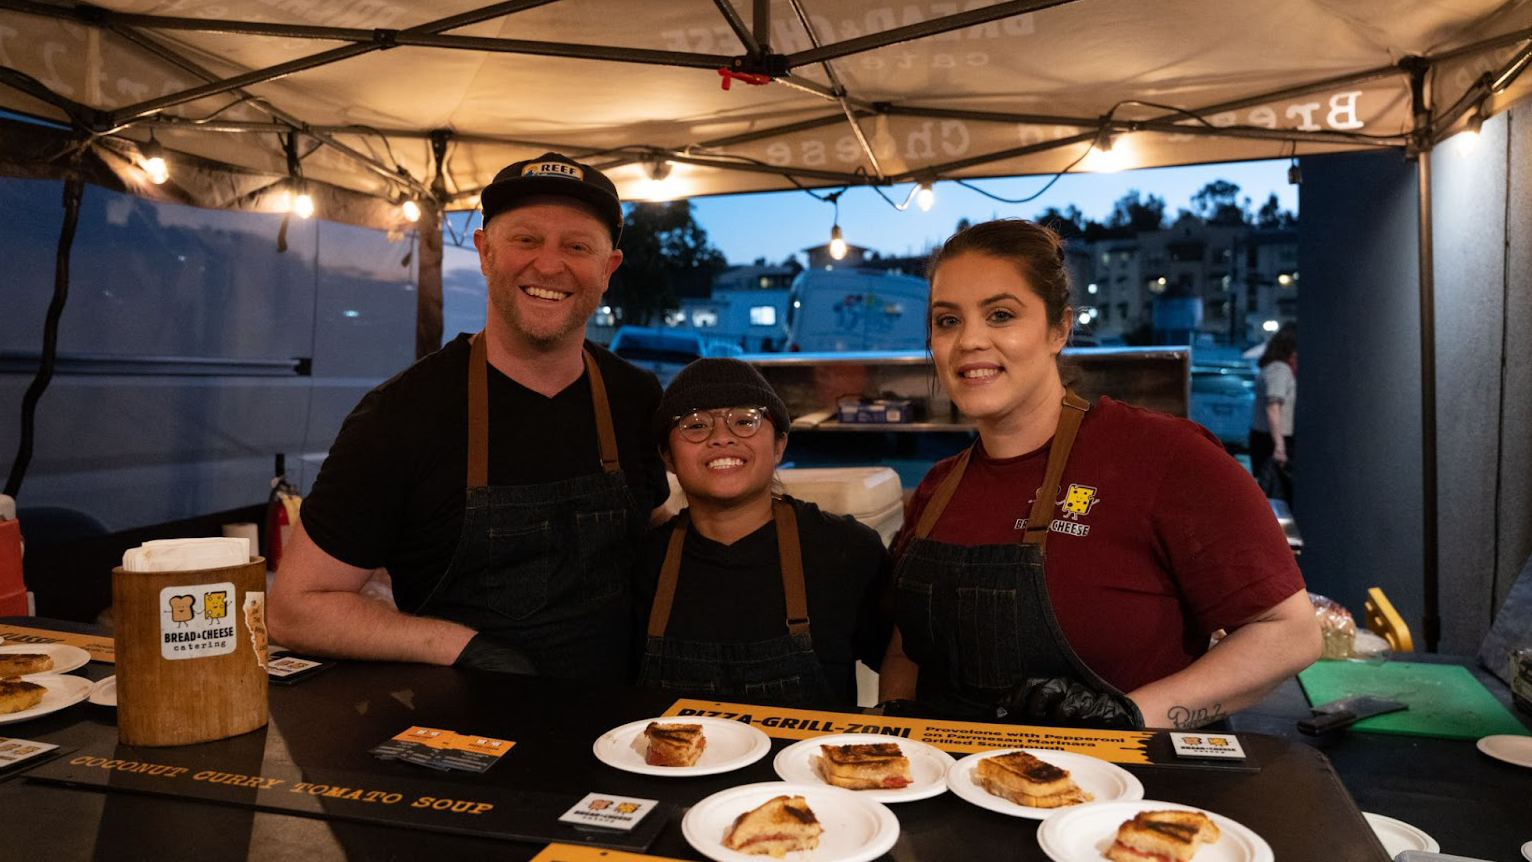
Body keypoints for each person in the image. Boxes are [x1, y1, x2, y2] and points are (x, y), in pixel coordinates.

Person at [877, 219, 1319, 729]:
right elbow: (904, 649)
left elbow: (1288, 632)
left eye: (1000, 315)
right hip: (949, 789)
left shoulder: (1166, 456)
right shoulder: (938, 488)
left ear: (1059, 329)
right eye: (947, 320)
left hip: (1129, 796)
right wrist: (896, 721)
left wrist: (1130, 714)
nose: (970, 340)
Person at [268, 153, 669, 678]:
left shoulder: (635, 396)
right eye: (525, 240)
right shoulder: (401, 415)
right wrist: (458, 646)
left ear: (607, 269)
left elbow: (656, 530)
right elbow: (295, 607)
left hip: (626, 732)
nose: (549, 265)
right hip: (466, 736)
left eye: (577, 246)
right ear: (483, 252)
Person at [634, 358, 891, 708]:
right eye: (695, 425)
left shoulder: (845, 550)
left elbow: (902, 661)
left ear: (779, 446)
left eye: (744, 421)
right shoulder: (641, 565)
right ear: (667, 455)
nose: (722, 437)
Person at [1249, 323, 1297, 503]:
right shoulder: (1280, 369)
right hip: (1276, 440)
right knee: (1278, 495)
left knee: (1272, 492)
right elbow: (1273, 406)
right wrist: (1280, 447)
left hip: (1264, 438)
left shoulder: (1270, 367)